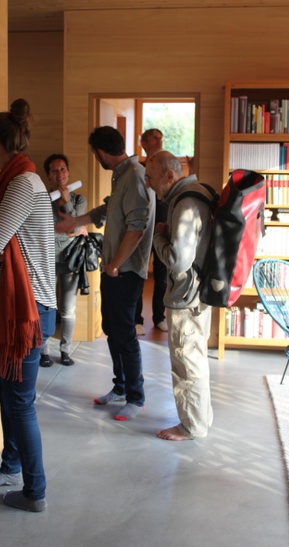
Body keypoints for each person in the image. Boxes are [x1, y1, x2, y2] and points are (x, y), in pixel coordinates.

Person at [0, 98, 57, 512]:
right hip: (18, 308)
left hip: (28, 311)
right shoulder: (18, 179)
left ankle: (35, 492)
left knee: (19, 401)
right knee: (5, 391)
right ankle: (10, 466)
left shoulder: (22, 183)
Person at [56, 126, 155, 420]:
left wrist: (114, 265)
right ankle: (121, 387)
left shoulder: (135, 175)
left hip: (125, 270)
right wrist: (74, 221)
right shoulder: (122, 174)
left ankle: (135, 398)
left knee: (125, 334)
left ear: (100, 152)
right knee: (112, 329)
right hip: (113, 268)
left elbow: (137, 229)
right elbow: (107, 210)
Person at [145, 150, 213, 441]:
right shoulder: (200, 191)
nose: (148, 184)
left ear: (169, 175)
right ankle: (200, 419)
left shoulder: (185, 204)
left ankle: (191, 426)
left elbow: (178, 261)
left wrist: (158, 235)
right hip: (199, 295)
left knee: (186, 364)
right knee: (195, 359)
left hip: (187, 298)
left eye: (150, 177)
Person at [39, 153, 87, 367]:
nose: (59, 174)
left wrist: (67, 201)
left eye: (62, 169)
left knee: (67, 308)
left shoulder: (78, 199)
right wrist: (71, 231)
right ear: (48, 175)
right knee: (46, 305)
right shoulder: (42, 198)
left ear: (68, 171)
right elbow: (42, 230)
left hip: (70, 258)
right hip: (46, 258)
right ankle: (44, 351)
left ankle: (65, 350)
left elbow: (74, 225)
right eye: (54, 170)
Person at [135, 128, 168, 335]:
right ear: (145, 144)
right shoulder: (139, 169)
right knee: (139, 273)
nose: (159, 141)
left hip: (163, 227)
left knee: (162, 277)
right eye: (154, 137)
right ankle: (136, 319)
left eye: (160, 138)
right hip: (142, 228)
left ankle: (159, 317)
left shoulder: (167, 167)